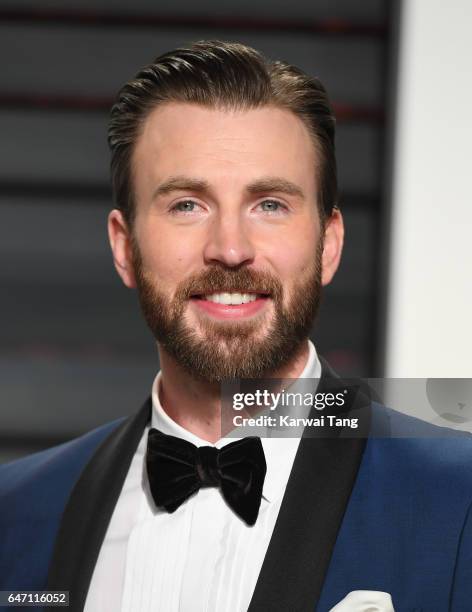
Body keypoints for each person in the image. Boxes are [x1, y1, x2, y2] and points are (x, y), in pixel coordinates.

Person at [1, 40, 472, 612]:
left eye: (270, 204)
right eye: (187, 205)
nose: (230, 249)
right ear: (125, 248)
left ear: (329, 246)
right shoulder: (15, 512)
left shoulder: (458, 500)